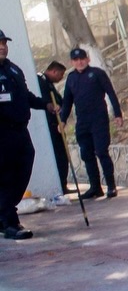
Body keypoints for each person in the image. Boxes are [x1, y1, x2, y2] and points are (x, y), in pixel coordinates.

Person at [0, 29, 50, 240]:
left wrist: (45, 104)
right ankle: (10, 223)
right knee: (5, 177)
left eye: (4, 43)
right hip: (1, 133)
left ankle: (4, 212)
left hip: (20, 131)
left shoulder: (14, 70)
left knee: (23, 170)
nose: (2, 46)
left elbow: (26, 96)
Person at [59, 48, 123, 199]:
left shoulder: (97, 73)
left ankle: (111, 186)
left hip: (98, 120)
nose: (79, 62)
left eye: (82, 58)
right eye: (76, 60)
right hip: (82, 121)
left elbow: (111, 93)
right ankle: (95, 188)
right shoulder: (71, 78)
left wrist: (118, 114)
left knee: (101, 151)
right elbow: (67, 101)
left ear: (87, 59)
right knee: (86, 154)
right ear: (71, 62)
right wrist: (62, 120)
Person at [37, 60, 71, 193]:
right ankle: (60, 185)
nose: (61, 78)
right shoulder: (41, 81)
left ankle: (63, 184)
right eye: (60, 75)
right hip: (50, 125)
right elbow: (46, 101)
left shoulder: (48, 83)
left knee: (63, 155)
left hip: (56, 124)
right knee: (59, 155)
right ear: (54, 71)